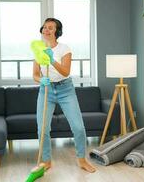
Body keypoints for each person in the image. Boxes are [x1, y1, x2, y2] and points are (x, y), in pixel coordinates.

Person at [33, 18, 96, 173]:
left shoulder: (64, 48)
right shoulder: (38, 49)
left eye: (50, 28)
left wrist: (52, 60)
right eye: (45, 27)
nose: (46, 30)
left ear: (57, 32)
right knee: (42, 129)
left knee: (78, 127)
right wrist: (41, 80)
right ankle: (46, 161)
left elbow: (65, 71)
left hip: (65, 90)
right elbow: (35, 74)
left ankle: (82, 160)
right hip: (46, 90)